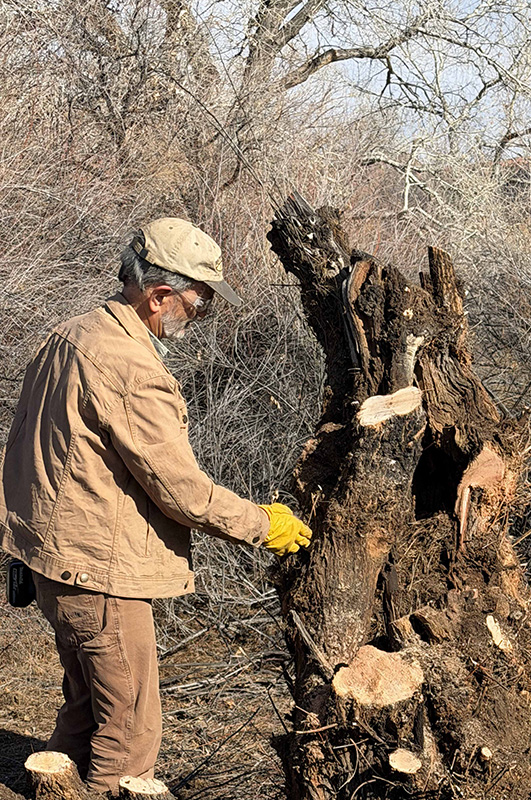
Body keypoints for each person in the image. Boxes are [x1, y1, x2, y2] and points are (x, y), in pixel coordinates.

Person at [0, 218, 312, 794]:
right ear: (160, 295)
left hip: (55, 562)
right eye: (200, 304)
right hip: (100, 574)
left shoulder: (69, 333)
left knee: (86, 708)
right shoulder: (131, 367)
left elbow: (19, 449)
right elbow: (183, 492)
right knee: (130, 731)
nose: (202, 317)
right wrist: (262, 523)